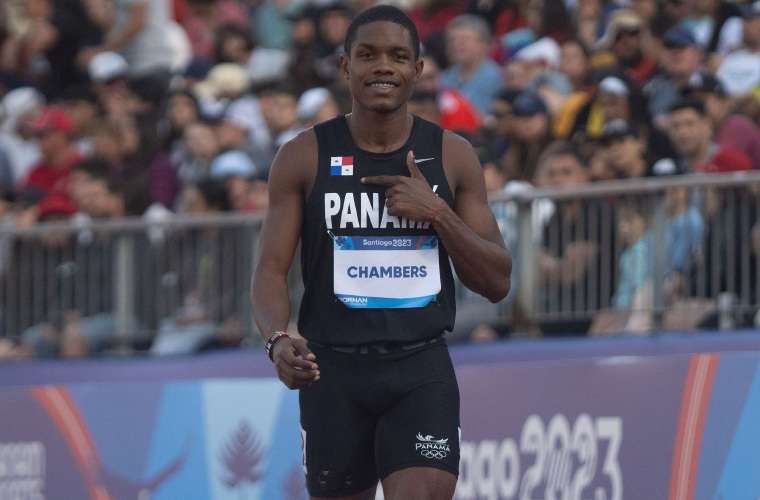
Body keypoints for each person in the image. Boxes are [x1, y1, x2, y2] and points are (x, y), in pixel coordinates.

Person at [251, 5, 511, 500]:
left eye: (398, 56)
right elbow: (269, 269)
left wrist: (437, 213)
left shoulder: (452, 155)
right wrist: (277, 339)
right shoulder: (303, 156)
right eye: (368, 55)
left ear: (417, 69)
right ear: (347, 67)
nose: (383, 66)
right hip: (332, 372)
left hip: (420, 369)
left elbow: (497, 282)